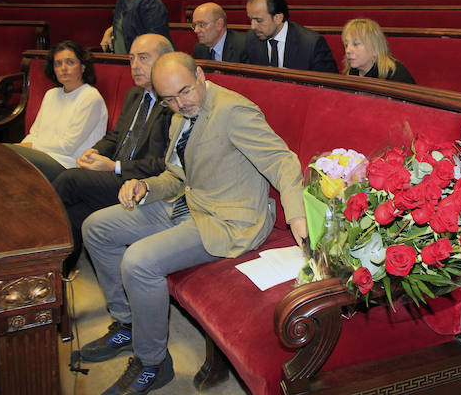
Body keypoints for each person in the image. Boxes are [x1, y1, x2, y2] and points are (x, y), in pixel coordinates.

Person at [80, 52, 308, 394]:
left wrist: (298, 219)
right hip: (188, 202)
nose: (180, 103)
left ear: (200, 75)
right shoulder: (179, 115)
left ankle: (153, 362)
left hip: (228, 218)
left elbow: (282, 161)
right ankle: (128, 322)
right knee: (96, 228)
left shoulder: (232, 110)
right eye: (169, 99)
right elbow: (177, 176)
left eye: (185, 92)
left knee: (140, 261)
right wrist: (145, 186)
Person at [52, 34, 173, 277]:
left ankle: (33, 248)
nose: (135, 66)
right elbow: (116, 137)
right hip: (114, 175)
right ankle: (60, 271)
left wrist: (114, 166)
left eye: (143, 58)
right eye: (131, 59)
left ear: (165, 61)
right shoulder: (135, 95)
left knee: (69, 180)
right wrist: (94, 151)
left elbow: (163, 164)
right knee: (74, 212)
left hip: (138, 183)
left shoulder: (173, 103)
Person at [7, 41, 108, 183]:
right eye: (58, 64)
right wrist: (22, 148)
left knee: (6, 153)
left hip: (69, 165)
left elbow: (68, 146)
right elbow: (34, 134)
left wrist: (27, 148)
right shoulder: (51, 94)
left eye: (70, 62)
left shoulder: (90, 97)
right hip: (42, 156)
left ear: (83, 67)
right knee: (5, 154)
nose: (63, 68)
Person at [240, 0, 338, 72]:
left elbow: (329, 86)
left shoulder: (312, 44)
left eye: (259, 20)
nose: (253, 26)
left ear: (278, 18)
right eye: (250, 19)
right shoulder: (251, 38)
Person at [341, 18, 415, 84]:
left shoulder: (396, 76)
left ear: (375, 48)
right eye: (346, 45)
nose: (348, 50)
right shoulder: (352, 72)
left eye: (356, 44)